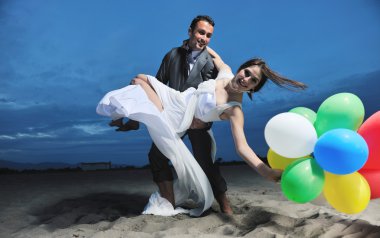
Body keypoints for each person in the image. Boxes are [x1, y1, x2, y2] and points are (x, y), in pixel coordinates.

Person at [96, 47, 307, 217]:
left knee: (142, 87)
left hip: (181, 118)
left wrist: (266, 171)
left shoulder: (234, 110)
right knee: (139, 78)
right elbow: (217, 57)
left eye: (253, 81)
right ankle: (132, 119)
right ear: (241, 68)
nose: (246, 79)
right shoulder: (226, 73)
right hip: (180, 99)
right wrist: (199, 43)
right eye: (247, 73)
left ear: (253, 89)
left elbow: (242, 147)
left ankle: (142, 119)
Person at [111, 15, 233, 214]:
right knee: (156, 156)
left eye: (209, 35)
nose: (204, 38)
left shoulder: (211, 62)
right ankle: (168, 201)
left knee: (204, 160)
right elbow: (156, 87)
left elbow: (214, 95)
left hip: (196, 120)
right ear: (190, 31)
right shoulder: (172, 55)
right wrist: (136, 119)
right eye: (201, 32)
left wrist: (204, 122)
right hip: (174, 115)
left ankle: (225, 204)